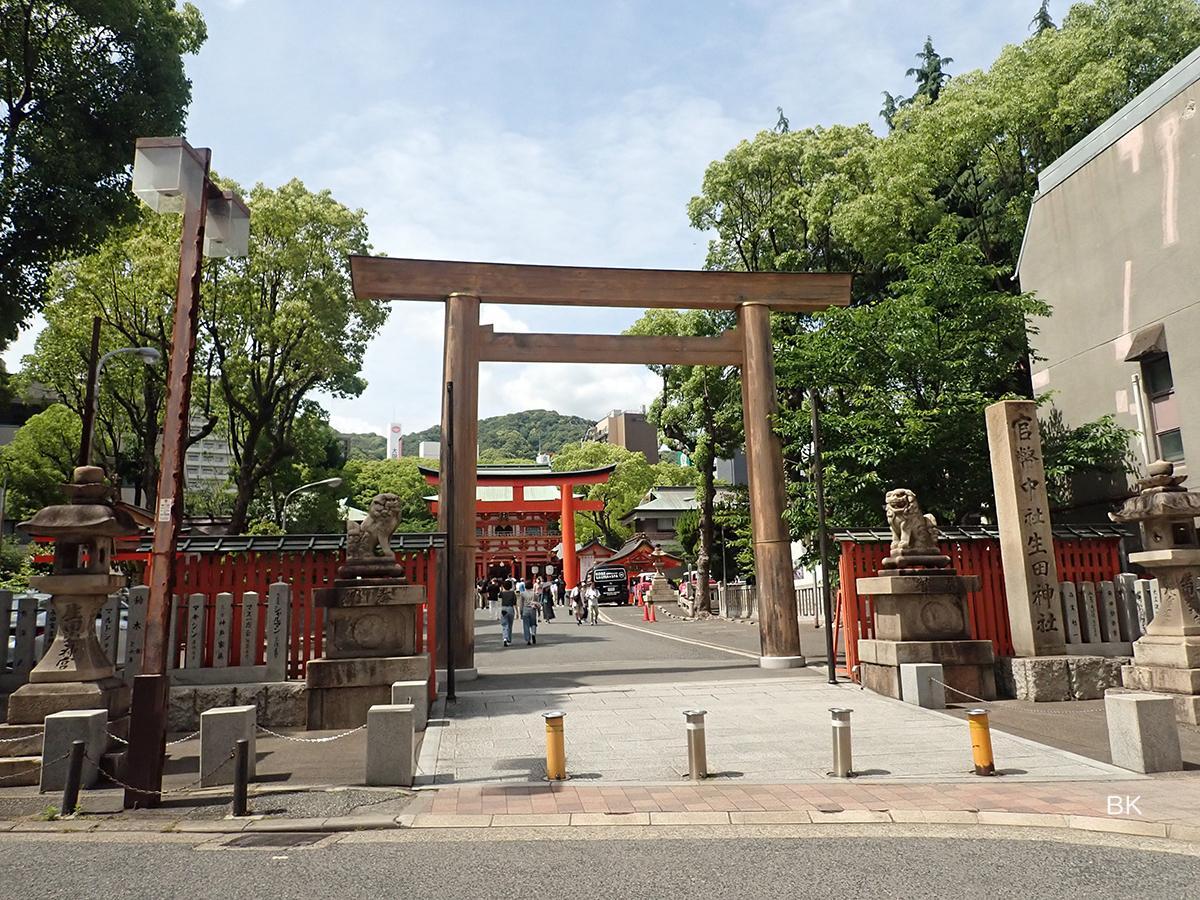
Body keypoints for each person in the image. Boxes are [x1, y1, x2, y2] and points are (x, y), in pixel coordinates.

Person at [498, 579, 518, 647]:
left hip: (503, 609)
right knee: (510, 625)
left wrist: (501, 589)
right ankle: (509, 639)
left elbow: (499, 599)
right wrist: (517, 612)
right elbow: (515, 603)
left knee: (504, 625)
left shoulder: (502, 593)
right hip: (510, 608)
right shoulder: (512, 593)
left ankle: (505, 638)